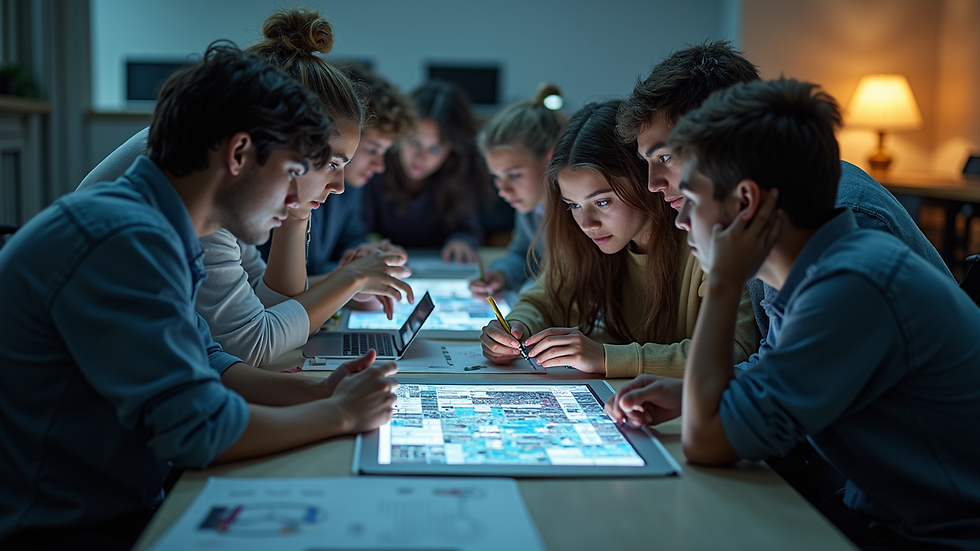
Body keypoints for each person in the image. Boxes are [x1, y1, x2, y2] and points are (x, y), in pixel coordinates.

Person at [0, 43, 399, 550]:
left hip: (118, 499)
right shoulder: (124, 238)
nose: (300, 201)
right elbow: (198, 430)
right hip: (63, 528)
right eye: (295, 172)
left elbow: (206, 358)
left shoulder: (160, 226)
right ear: (238, 154)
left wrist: (321, 393)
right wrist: (340, 416)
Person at [607, 78, 980, 551]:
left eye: (694, 201)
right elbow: (774, 373)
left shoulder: (852, 283)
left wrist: (721, 282)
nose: (680, 221)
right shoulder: (819, 268)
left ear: (746, 202)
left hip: (941, 535)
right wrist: (691, 394)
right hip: (885, 513)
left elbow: (708, 444)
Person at [77, 8, 414, 367]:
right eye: (331, 162)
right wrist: (350, 279)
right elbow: (252, 345)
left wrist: (300, 218)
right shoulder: (195, 185)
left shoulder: (223, 181)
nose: (340, 186)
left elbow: (264, 302)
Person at [615, 40, 953, 342]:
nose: (653, 184)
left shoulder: (837, 218)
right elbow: (782, 361)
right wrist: (680, 395)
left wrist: (723, 283)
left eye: (665, 157)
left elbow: (810, 388)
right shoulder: (764, 214)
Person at [480, 100, 758, 378]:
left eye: (602, 203)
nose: (586, 224)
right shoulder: (590, 240)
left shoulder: (707, 241)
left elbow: (735, 349)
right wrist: (515, 328)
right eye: (573, 205)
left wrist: (605, 357)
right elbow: (543, 300)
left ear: (644, 183)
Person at [304, 63, 416, 277]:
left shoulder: (350, 186)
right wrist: (353, 276)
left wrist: (365, 254)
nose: (379, 166)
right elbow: (288, 285)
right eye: (373, 149)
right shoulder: (299, 192)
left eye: (385, 152)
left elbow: (348, 240)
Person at [360, 80, 488, 262]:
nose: (420, 157)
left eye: (435, 149)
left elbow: (468, 230)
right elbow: (357, 232)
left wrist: (462, 241)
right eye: (414, 142)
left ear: (451, 149)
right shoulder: (374, 167)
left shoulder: (458, 174)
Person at [469, 83, 566, 298]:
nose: (503, 190)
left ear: (549, 159)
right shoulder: (530, 204)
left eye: (513, 175)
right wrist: (501, 274)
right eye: (496, 177)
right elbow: (523, 254)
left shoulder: (577, 212)